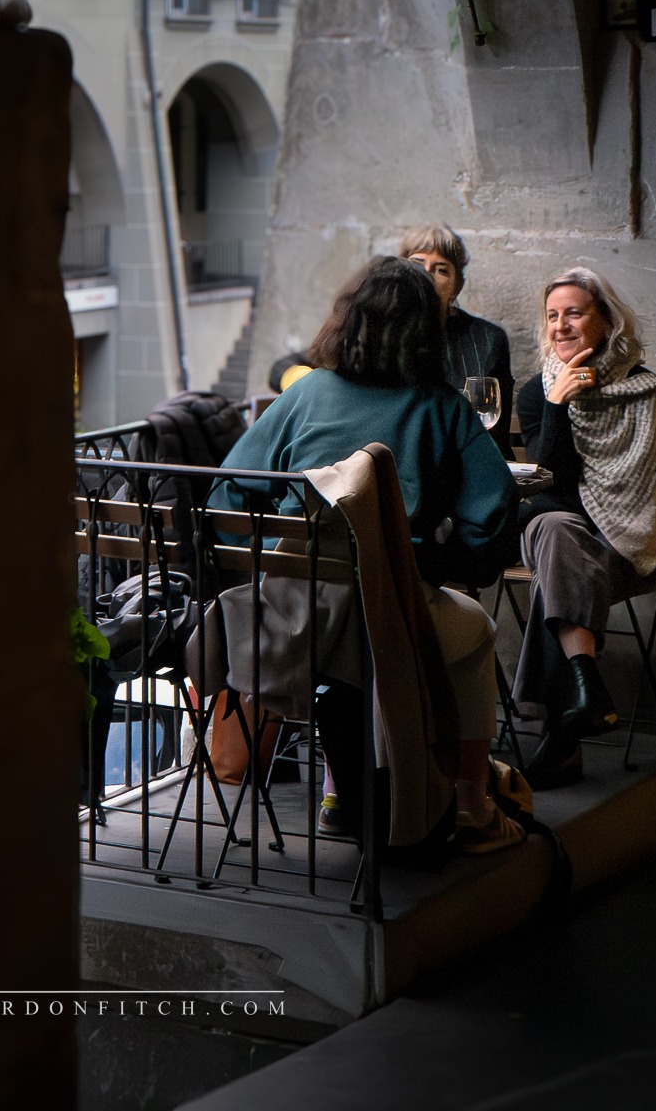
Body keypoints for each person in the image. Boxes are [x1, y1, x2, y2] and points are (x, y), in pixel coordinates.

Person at [215, 257, 521, 850]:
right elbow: (494, 512)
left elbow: (228, 491)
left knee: (348, 661)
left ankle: (337, 793)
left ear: (347, 322)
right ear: (426, 331)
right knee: (477, 634)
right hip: (386, 621)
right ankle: (470, 805)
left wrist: (266, 565)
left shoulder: (305, 395)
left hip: (287, 621)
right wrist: (447, 565)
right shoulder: (442, 407)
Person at [512, 266, 656, 788]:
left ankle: (574, 715)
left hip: (637, 546)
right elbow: (546, 484)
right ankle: (584, 689)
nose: (560, 326)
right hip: (567, 536)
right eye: (552, 316)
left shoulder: (652, 394)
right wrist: (556, 408)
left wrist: (601, 510)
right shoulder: (537, 393)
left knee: (558, 557)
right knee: (553, 528)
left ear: (606, 320)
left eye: (574, 312)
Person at [397, 224, 514, 457]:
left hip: (470, 460)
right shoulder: (384, 334)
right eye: (417, 264)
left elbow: (495, 431)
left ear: (456, 287)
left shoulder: (488, 339)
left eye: (441, 270)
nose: (427, 274)